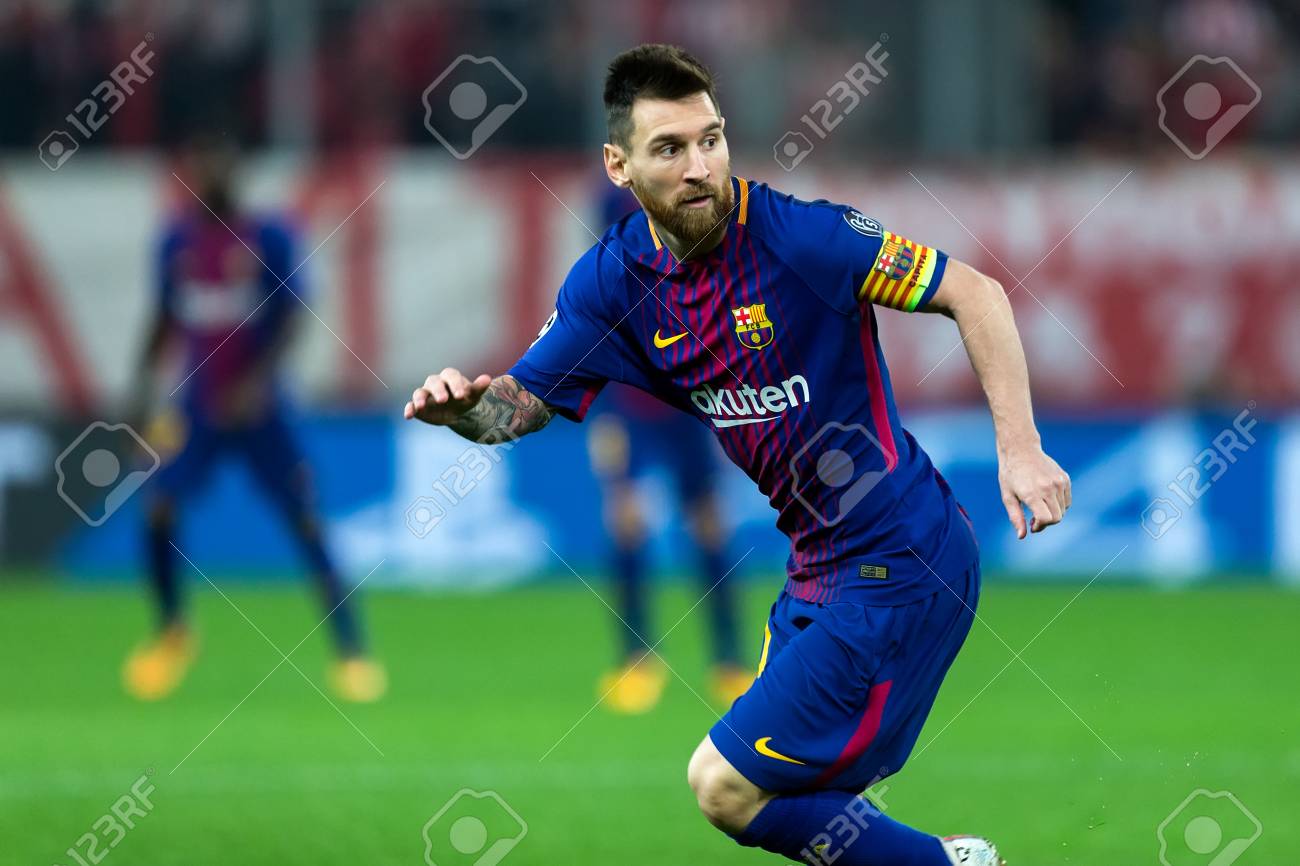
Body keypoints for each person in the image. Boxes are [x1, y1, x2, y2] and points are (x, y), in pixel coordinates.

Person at [405, 44, 1070, 865]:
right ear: (618, 165)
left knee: (723, 784)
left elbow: (976, 293)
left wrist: (1021, 449)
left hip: (899, 559)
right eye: (669, 148)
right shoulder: (612, 284)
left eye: (710, 140)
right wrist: (465, 412)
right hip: (816, 571)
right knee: (798, 805)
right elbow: (516, 407)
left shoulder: (806, 239)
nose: (700, 168)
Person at [125, 142, 386, 704]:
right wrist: (140, 394)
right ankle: (173, 633)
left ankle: (351, 651)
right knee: (158, 504)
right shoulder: (175, 243)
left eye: (217, 164)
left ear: (235, 174)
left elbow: (292, 317)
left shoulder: (267, 237)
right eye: (199, 166)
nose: (208, 176)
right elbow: (163, 317)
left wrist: (255, 383)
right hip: (197, 408)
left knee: (307, 520)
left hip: (263, 411)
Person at [589, 183, 751, 714]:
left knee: (709, 525)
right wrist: (603, 419)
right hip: (629, 406)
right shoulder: (607, 267)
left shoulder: (699, 232)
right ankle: (635, 659)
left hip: (689, 405)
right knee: (627, 522)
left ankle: (730, 660)